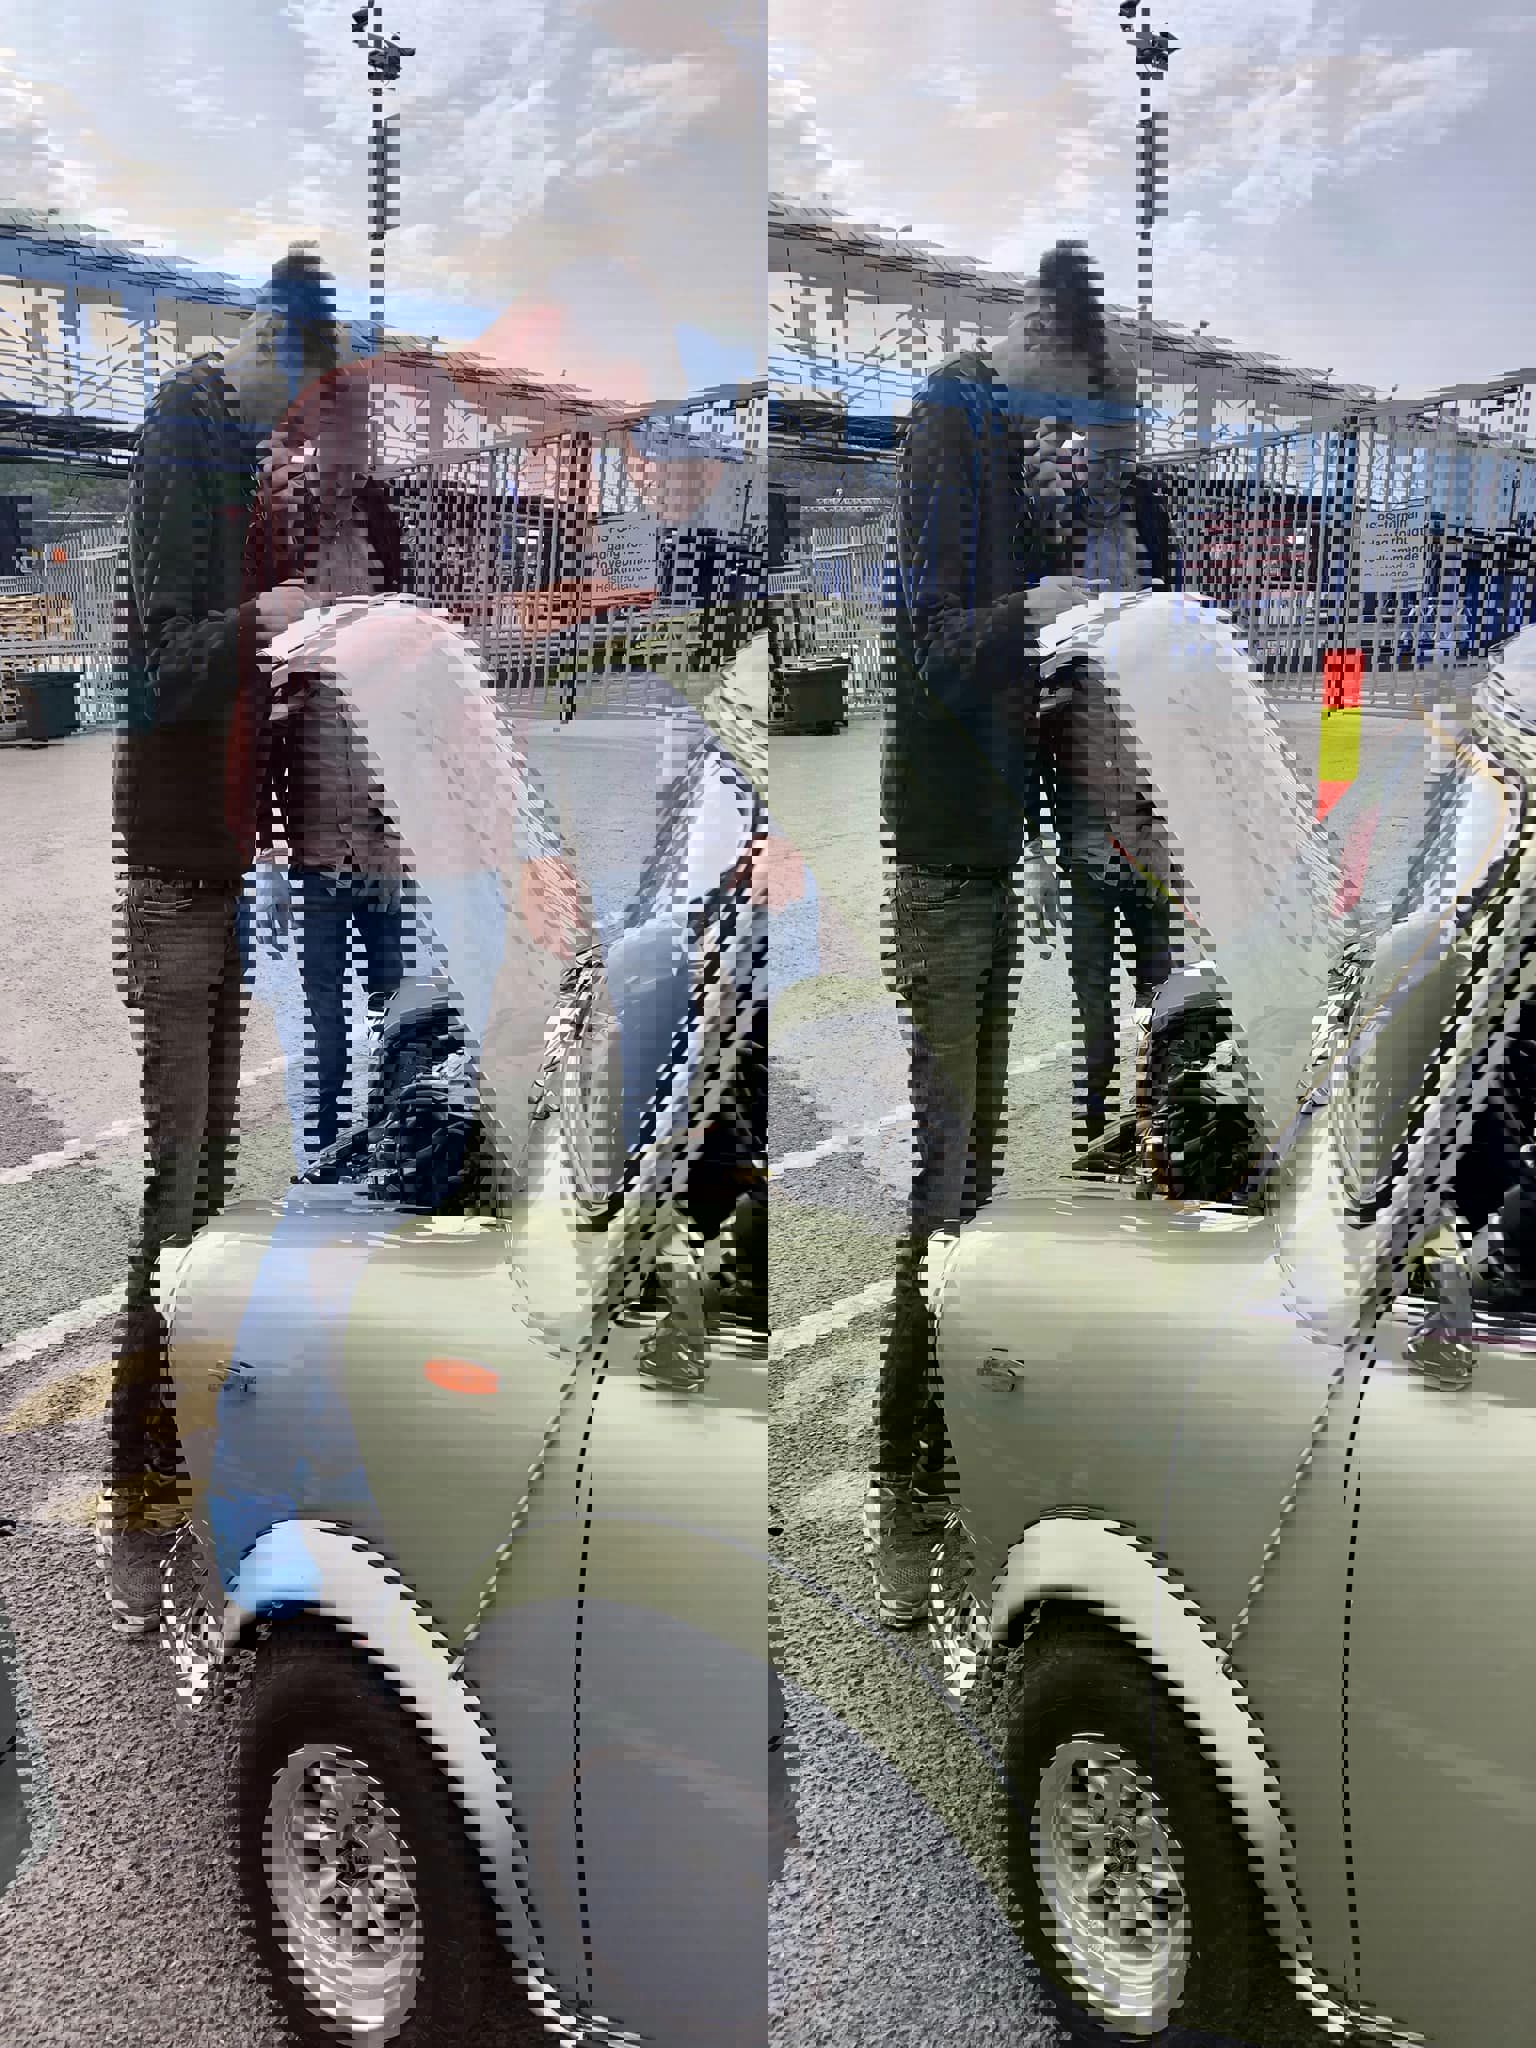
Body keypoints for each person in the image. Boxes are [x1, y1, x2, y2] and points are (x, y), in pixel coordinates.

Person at [101, 243, 344, 1636]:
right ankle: (138, 1505)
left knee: (209, 1195)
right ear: (261, 344)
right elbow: (162, 666)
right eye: (287, 396)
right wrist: (264, 623)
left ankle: (184, 1456)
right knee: (177, 1189)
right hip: (174, 877)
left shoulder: (255, 457)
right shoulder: (183, 433)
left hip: (228, 872)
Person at [253, 360, 410, 1158]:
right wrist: (269, 854)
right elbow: (258, 740)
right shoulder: (286, 560)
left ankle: (396, 1135)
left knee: (396, 1007)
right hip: (316, 854)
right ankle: (321, 1151)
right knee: (325, 1020)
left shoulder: (385, 553)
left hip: (385, 853)